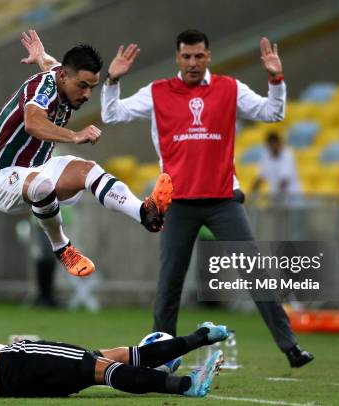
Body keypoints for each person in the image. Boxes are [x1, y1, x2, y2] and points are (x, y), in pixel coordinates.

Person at [99, 29, 313, 367]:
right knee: (170, 281)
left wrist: (275, 78)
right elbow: (112, 115)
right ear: (177, 58)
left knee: (256, 272)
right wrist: (111, 80)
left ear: (209, 56)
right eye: (186, 56)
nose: (193, 63)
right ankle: (160, 358)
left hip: (223, 200)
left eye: (199, 56)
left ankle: (290, 347)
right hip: (178, 201)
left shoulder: (230, 88)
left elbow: (272, 113)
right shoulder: (157, 92)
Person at [0, 30, 173, 278]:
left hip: (38, 167)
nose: (86, 95)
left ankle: (144, 213)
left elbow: (52, 65)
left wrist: (40, 55)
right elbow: (32, 123)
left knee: (89, 170)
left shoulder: (61, 74)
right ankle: (62, 247)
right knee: (41, 186)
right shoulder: (43, 89)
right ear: (63, 78)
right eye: (82, 86)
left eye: (91, 87)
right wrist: (75, 135)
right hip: (1, 178)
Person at [0, 257, 228, 398]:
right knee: (100, 368)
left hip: (13, 386)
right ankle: (185, 385)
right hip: (15, 361)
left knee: (104, 358)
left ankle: (201, 337)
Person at [252, 132, 301, 201]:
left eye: (275, 144)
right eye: (271, 146)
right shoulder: (266, 156)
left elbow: (284, 181)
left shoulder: (288, 154)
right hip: (277, 198)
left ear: (279, 144)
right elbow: (260, 177)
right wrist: (251, 192)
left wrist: (275, 198)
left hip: (292, 197)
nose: (273, 148)